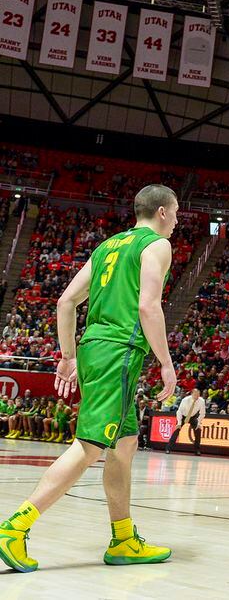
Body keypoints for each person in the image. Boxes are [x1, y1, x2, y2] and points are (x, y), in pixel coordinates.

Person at [0, 184, 178, 573]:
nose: (177, 221)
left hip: (93, 347)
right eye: (176, 213)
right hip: (120, 352)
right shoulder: (156, 246)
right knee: (90, 446)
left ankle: (124, 538)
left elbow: (65, 301)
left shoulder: (107, 247)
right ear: (162, 212)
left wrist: (68, 357)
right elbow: (148, 307)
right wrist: (166, 361)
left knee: (125, 444)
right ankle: (14, 528)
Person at [165, 388, 205, 456]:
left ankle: (197, 450)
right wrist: (179, 423)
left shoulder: (201, 401)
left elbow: (202, 413)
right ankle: (168, 448)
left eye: (198, 394)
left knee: (198, 430)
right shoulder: (185, 400)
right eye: (195, 394)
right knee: (177, 430)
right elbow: (179, 411)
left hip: (193, 416)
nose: (197, 396)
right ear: (192, 394)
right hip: (183, 415)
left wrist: (199, 423)